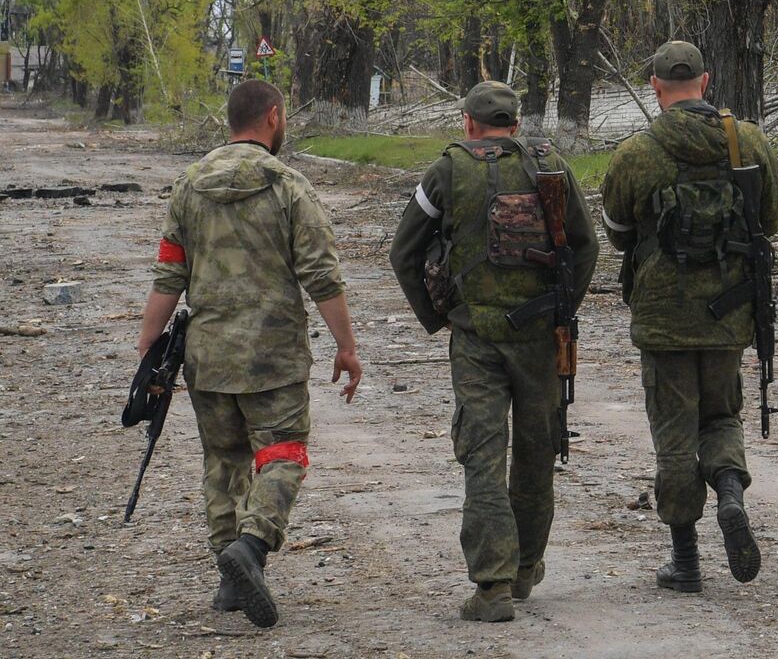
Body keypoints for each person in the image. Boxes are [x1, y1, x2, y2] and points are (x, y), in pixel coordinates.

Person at [134, 79, 362, 629]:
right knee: (283, 455)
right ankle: (253, 547)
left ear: (229, 121)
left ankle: (227, 578)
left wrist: (147, 351)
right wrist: (346, 347)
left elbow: (169, 275)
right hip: (274, 356)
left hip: (208, 359)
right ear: (275, 117)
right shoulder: (290, 188)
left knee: (224, 462)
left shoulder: (187, 188)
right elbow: (321, 275)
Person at [388, 81, 600, 622]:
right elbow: (587, 244)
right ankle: (526, 566)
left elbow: (404, 252)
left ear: (468, 123)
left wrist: (438, 317)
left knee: (482, 457)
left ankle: (493, 586)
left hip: (476, 338)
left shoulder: (448, 171)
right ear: (516, 121)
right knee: (536, 452)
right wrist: (561, 308)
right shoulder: (551, 165)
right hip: (540, 338)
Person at [599, 41, 778, 593]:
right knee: (722, 415)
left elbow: (617, 230)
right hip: (729, 312)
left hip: (663, 318)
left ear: (655, 88)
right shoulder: (746, 140)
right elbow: (770, 219)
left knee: (673, 432)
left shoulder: (638, 151)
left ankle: (685, 562)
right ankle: (729, 488)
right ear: (706, 82)